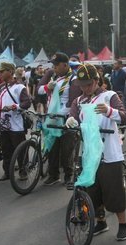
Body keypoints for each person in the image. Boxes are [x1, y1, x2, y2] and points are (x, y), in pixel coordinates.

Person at [66, 63, 126, 241]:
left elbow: (124, 116)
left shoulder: (109, 96)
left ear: (96, 80)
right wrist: (71, 121)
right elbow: (74, 118)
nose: (85, 88)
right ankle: (100, 221)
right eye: (82, 85)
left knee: (114, 190)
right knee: (93, 190)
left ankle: (123, 224)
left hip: (109, 151)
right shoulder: (78, 101)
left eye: (88, 84)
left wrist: (109, 111)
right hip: (89, 153)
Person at [37, 52, 81, 185]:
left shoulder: (73, 79)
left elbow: (73, 101)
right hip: (53, 118)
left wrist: (58, 114)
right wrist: (47, 82)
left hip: (67, 118)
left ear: (65, 65)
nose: (54, 68)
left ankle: (69, 175)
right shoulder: (54, 78)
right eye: (53, 65)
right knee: (53, 147)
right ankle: (53, 175)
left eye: (57, 65)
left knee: (67, 149)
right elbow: (39, 90)